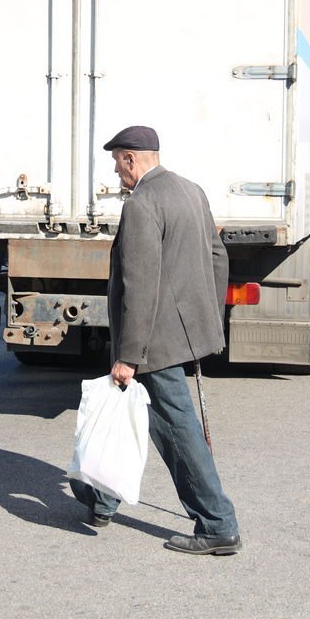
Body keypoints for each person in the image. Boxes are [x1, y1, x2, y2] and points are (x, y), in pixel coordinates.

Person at [69, 125, 241, 556]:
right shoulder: (191, 191)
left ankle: (217, 523)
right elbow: (218, 256)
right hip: (180, 330)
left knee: (177, 429)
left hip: (152, 339)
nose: (117, 173)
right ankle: (101, 501)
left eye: (117, 164)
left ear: (131, 159)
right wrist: (206, 318)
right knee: (127, 413)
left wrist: (129, 355)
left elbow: (140, 283)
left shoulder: (143, 203)